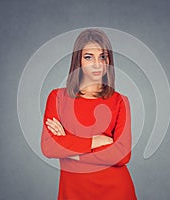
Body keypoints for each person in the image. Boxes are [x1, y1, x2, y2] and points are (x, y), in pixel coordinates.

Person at [41, 28, 137, 200]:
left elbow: (122, 155)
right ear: (77, 60)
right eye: (88, 57)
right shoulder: (57, 98)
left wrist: (70, 151)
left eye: (103, 56)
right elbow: (49, 147)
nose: (97, 64)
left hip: (116, 191)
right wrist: (95, 141)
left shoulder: (120, 101)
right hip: (74, 192)